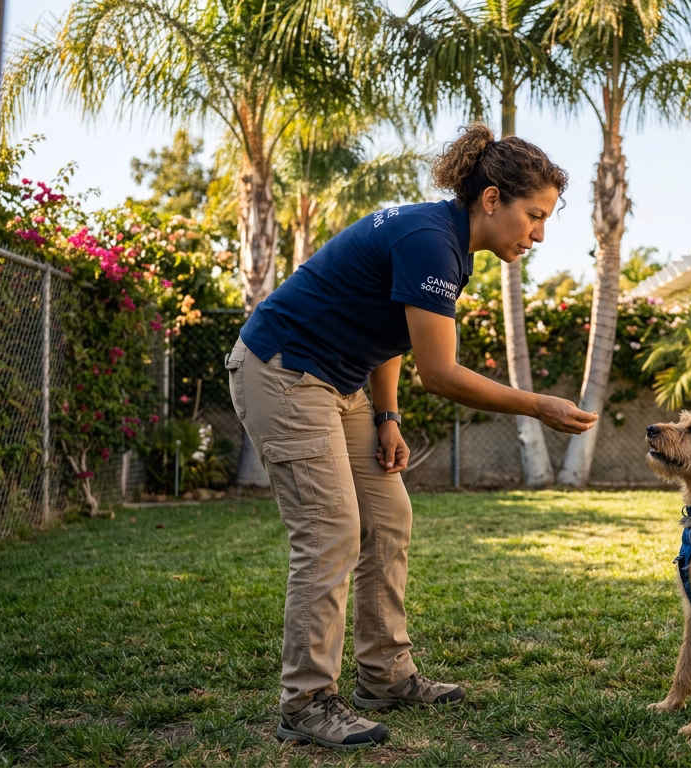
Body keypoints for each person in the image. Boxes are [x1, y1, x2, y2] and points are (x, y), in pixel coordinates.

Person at [224, 124, 598, 749]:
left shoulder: (445, 242)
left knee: (389, 517)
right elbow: (442, 373)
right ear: (491, 199)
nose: (538, 234)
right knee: (330, 532)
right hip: (283, 373)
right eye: (533, 216)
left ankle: (385, 674)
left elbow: (390, 337)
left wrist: (386, 417)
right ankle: (306, 703)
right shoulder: (431, 242)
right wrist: (538, 406)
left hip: (339, 385)